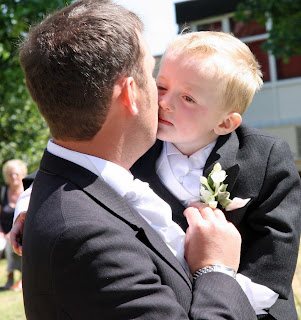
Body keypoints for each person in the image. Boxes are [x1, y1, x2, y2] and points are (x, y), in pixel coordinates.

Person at [15, 0, 258, 319]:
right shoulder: (89, 239)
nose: (162, 98)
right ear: (130, 93)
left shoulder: (86, 189)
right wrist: (217, 270)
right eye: (151, 76)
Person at [130, 31, 301, 319]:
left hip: (249, 305)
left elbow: (274, 250)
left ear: (224, 122)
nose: (164, 102)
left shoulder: (265, 156)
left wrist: (213, 292)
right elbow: (80, 162)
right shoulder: (135, 140)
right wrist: (29, 198)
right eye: (161, 86)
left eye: (187, 98)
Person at [0, 159, 27, 290]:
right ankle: (10, 278)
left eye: (16, 174)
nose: (13, 177)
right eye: (10, 174)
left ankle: (18, 279)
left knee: (14, 242)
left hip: (22, 230)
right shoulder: (3, 192)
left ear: (22, 174)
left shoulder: (27, 191)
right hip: (3, 233)